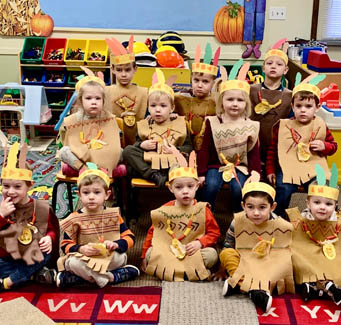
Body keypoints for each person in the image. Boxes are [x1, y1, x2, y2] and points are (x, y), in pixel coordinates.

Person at [217, 171, 294, 312]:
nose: (256, 213)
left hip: (267, 262)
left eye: (262, 207)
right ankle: (254, 291)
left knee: (285, 264)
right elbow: (228, 244)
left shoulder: (281, 225)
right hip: (245, 260)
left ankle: (239, 284)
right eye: (250, 207)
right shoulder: (237, 222)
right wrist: (222, 270)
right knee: (226, 253)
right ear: (243, 206)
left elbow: (284, 253)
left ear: (273, 207)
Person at [141, 150, 220, 281]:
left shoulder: (202, 209)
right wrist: (144, 256)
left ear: (197, 186)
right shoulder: (165, 209)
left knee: (212, 255)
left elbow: (214, 234)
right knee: (150, 254)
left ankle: (174, 270)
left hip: (192, 251)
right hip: (169, 250)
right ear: (171, 188)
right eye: (179, 187)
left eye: (190, 186)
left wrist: (200, 243)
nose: (185, 191)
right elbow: (152, 233)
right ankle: (189, 271)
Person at [56, 163, 139, 288]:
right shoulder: (74, 218)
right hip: (84, 258)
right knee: (72, 262)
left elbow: (130, 237)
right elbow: (65, 245)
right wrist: (80, 249)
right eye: (86, 193)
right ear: (79, 194)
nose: (91, 197)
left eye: (96, 192)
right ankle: (111, 277)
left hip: (107, 257)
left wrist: (116, 244)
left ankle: (80, 278)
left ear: (107, 194)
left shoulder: (114, 215)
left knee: (121, 257)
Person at [266, 73, 337, 218]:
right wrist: (270, 169)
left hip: (313, 167)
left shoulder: (321, 125)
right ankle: (278, 218)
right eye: (299, 106)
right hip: (289, 168)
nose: (303, 110)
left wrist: (325, 146)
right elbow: (273, 150)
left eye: (308, 106)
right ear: (292, 106)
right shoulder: (284, 126)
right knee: (284, 189)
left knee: (322, 188)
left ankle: (320, 217)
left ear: (317, 107)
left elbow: (333, 146)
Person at [197, 60, 261, 212]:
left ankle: (238, 219)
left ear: (246, 104)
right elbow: (204, 149)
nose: (235, 104)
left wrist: (256, 172)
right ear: (222, 101)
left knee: (239, 189)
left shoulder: (251, 125)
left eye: (240, 100)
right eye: (230, 99)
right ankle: (205, 216)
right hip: (216, 166)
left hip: (240, 166)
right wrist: (201, 173)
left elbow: (253, 152)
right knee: (210, 186)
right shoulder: (212, 122)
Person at [0, 142, 59, 290]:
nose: (11, 191)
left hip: (30, 257)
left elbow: (51, 230)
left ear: (30, 185)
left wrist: (49, 238)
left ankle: (9, 282)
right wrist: (1, 215)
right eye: (6, 186)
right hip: (5, 259)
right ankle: (31, 276)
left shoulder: (40, 207)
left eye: (17, 186)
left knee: (44, 254)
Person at [123, 68, 192, 187]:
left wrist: (176, 150)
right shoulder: (146, 124)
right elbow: (136, 147)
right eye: (153, 106)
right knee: (128, 151)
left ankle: (161, 175)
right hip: (150, 162)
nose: (158, 110)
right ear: (148, 108)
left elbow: (189, 147)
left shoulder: (180, 123)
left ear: (171, 108)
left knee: (182, 165)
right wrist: (141, 145)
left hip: (171, 162)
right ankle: (153, 175)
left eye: (163, 106)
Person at [286, 163, 341, 305]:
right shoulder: (299, 221)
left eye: (328, 204)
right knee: (296, 257)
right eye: (317, 202)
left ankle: (318, 287)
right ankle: (322, 286)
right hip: (306, 254)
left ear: (335, 206)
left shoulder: (338, 221)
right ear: (308, 203)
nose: (322, 207)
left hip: (331, 253)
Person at [58, 71, 122, 177]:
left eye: (98, 98)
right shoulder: (74, 119)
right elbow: (68, 141)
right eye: (88, 98)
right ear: (81, 101)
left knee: (121, 151)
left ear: (103, 101)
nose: (93, 102)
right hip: (82, 156)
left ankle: (102, 168)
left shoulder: (109, 117)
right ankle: (83, 169)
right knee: (64, 151)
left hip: (103, 153)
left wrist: (116, 134)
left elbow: (116, 136)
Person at [249, 39, 292, 164]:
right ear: (263, 67)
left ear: (285, 70)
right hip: (254, 144)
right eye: (269, 63)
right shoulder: (251, 90)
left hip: (277, 147)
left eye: (279, 64)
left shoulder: (289, 95)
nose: (273, 66)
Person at [174, 43, 220, 151]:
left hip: (209, 146)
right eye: (196, 80)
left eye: (205, 81)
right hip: (185, 145)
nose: (199, 85)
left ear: (213, 83)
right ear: (191, 80)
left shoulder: (217, 101)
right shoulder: (181, 99)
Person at [105, 35, 148, 146]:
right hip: (113, 139)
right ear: (113, 70)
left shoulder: (144, 93)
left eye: (127, 69)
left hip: (138, 141)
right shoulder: (106, 91)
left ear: (135, 69)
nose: (123, 74)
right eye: (119, 70)